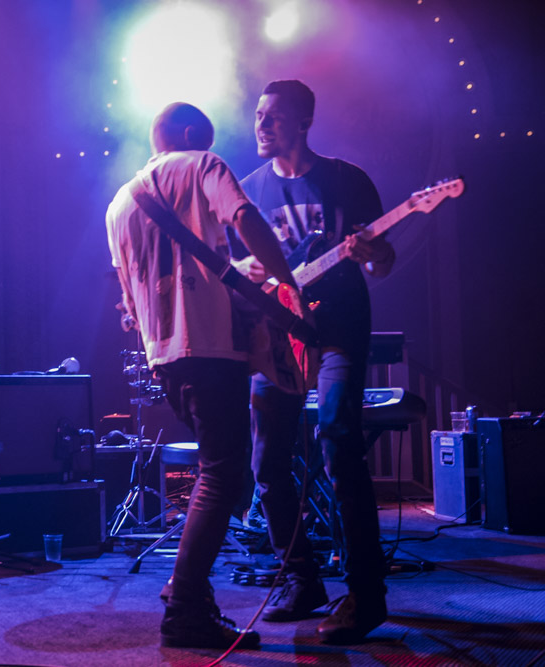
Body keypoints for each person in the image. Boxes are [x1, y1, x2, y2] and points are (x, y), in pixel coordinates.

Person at [106, 102, 301, 650]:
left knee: (221, 469)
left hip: (164, 354)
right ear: (191, 135)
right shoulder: (203, 165)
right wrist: (290, 286)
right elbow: (244, 219)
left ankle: (187, 595)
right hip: (212, 348)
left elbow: (129, 302)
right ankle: (186, 605)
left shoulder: (119, 204)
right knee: (224, 474)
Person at [233, 79, 396, 645]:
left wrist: (373, 255)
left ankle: (367, 594)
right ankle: (301, 580)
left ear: (303, 122)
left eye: (273, 117)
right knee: (266, 463)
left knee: (337, 442)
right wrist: (250, 274)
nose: (261, 125)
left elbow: (381, 266)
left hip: (338, 334)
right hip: (275, 340)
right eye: (258, 116)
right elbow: (238, 274)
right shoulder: (248, 190)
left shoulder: (346, 180)